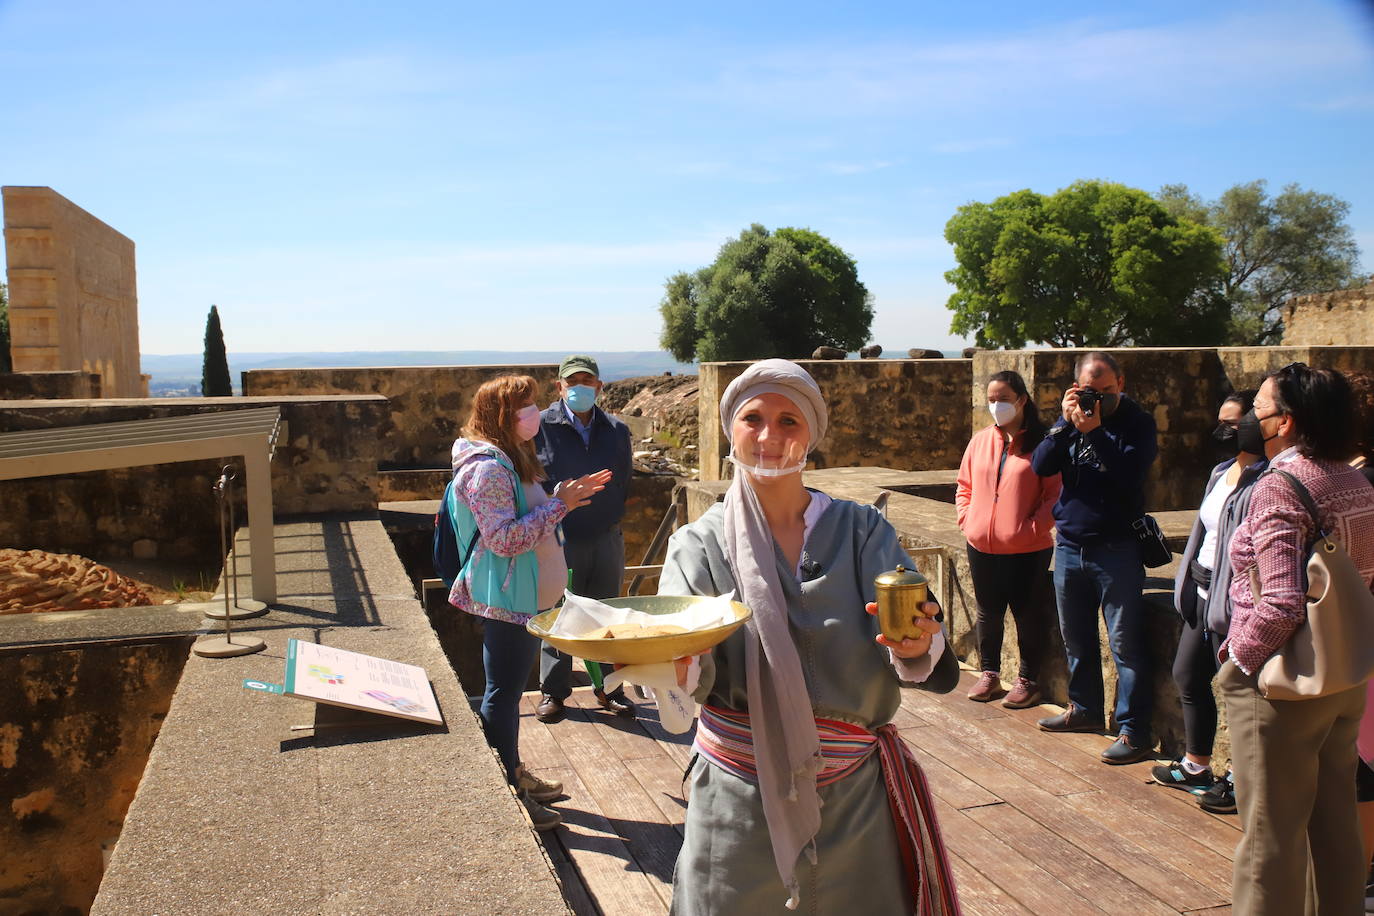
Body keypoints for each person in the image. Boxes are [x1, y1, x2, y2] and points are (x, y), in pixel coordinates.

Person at [657, 358, 961, 915]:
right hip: (738, 804)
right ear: (731, 431)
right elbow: (682, 688)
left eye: (789, 421)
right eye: (753, 418)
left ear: (812, 437)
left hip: (856, 804)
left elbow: (919, 644)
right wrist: (673, 664)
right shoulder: (696, 547)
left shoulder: (862, 530)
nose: (770, 436)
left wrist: (918, 645)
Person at [1218, 363, 1374, 915]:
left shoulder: (1280, 488)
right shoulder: (1355, 479)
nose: (1251, 418)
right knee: (1336, 825)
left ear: (1285, 422)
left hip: (1281, 682)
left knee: (1269, 842)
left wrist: (1236, 661)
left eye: (1259, 409)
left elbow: (1280, 602)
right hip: (1346, 674)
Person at [447, 374, 612, 831]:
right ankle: (507, 789)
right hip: (507, 599)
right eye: (525, 406)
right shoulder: (488, 469)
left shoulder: (507, 460)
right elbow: (503, 539)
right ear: (503, 416)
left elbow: (523, 515)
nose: (534, 414)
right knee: (503, 693)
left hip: (522, 595)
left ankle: (513, 771)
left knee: (508, 688)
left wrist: (562, 497)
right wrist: (561, 507)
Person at [1031, 351, 1159, 764]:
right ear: (1076, 387)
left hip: (1116, 547)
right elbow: (1040, 464)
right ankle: (1084, 709)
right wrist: (1065, 425)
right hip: (1070, 545)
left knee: (1125, 645)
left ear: (1121, 382)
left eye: (1106, 391)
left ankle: (1135, 731)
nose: (1098, 400)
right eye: (1090, 391)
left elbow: (1130, 477)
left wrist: (1097, 432)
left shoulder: (1137, 423)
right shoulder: (1072, 419)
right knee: (1077, 637)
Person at [1153, 390, 1264, 813]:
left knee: (1238, 691)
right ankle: (1197, 764)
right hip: (1201, 593)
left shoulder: (1265, 480)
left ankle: (1240, 778)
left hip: (1232, 601)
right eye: (1221, 421)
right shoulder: (1222, 471)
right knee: (1187, 675)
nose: (1224, 431)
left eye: (1234, 424)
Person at [533, 355, 637, 722]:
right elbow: (531, 477)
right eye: (571, 381)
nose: (580, 387)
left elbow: (624, 478)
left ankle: (610, 689)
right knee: (559, 614)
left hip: (606, 536)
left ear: (599, 387)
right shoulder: (542, 425)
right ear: (559, 387)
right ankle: (553, 692)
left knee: (607, 615)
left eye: (587, 381)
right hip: (561, 536)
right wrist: (560, 492)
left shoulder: (616, 429)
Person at [956, 370, 1060, 708]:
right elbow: (965, 486)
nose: (996, 406)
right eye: (991, 400)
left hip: (1027, 548)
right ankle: (990, 674)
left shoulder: (1044, 444)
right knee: (988, 612)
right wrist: (968, 520)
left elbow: (1055, 496)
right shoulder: (982, 440)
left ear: (1022, 400)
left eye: (1002, 399)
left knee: (1026, 613)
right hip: (981, 543)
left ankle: (1028, 680)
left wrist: (1031, 529)